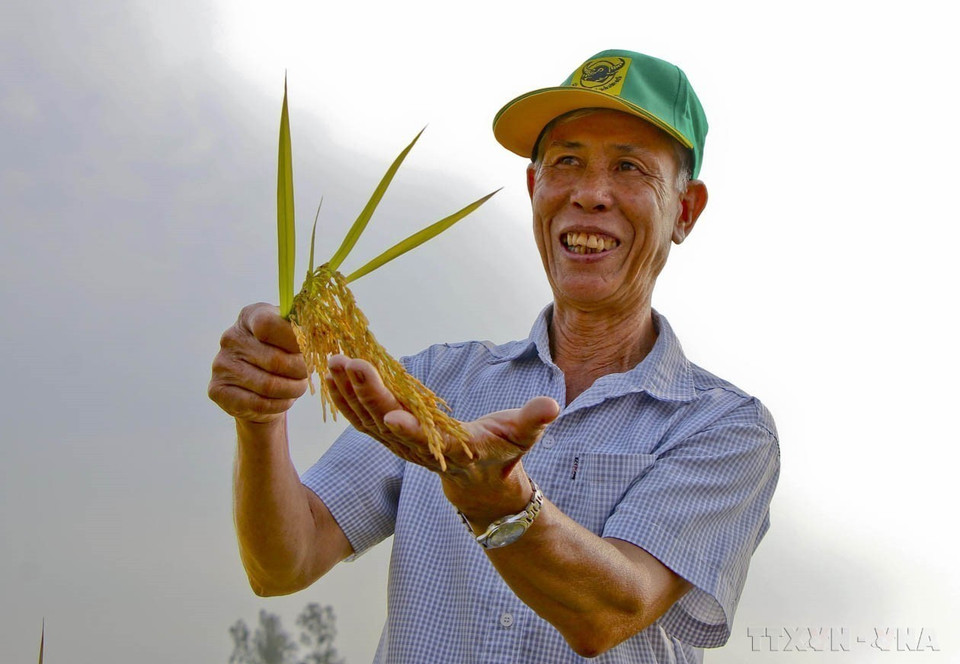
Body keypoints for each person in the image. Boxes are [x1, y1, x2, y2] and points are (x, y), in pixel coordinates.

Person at [209, 49, 780, 663]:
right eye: (566, 161)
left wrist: (496, 503)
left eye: (629, 167)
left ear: (685, 210)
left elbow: (611, 612)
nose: (590, 194)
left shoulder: (723, 427)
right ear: (535, 187)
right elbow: (284, 562)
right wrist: (261, 419)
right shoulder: (431, 383)